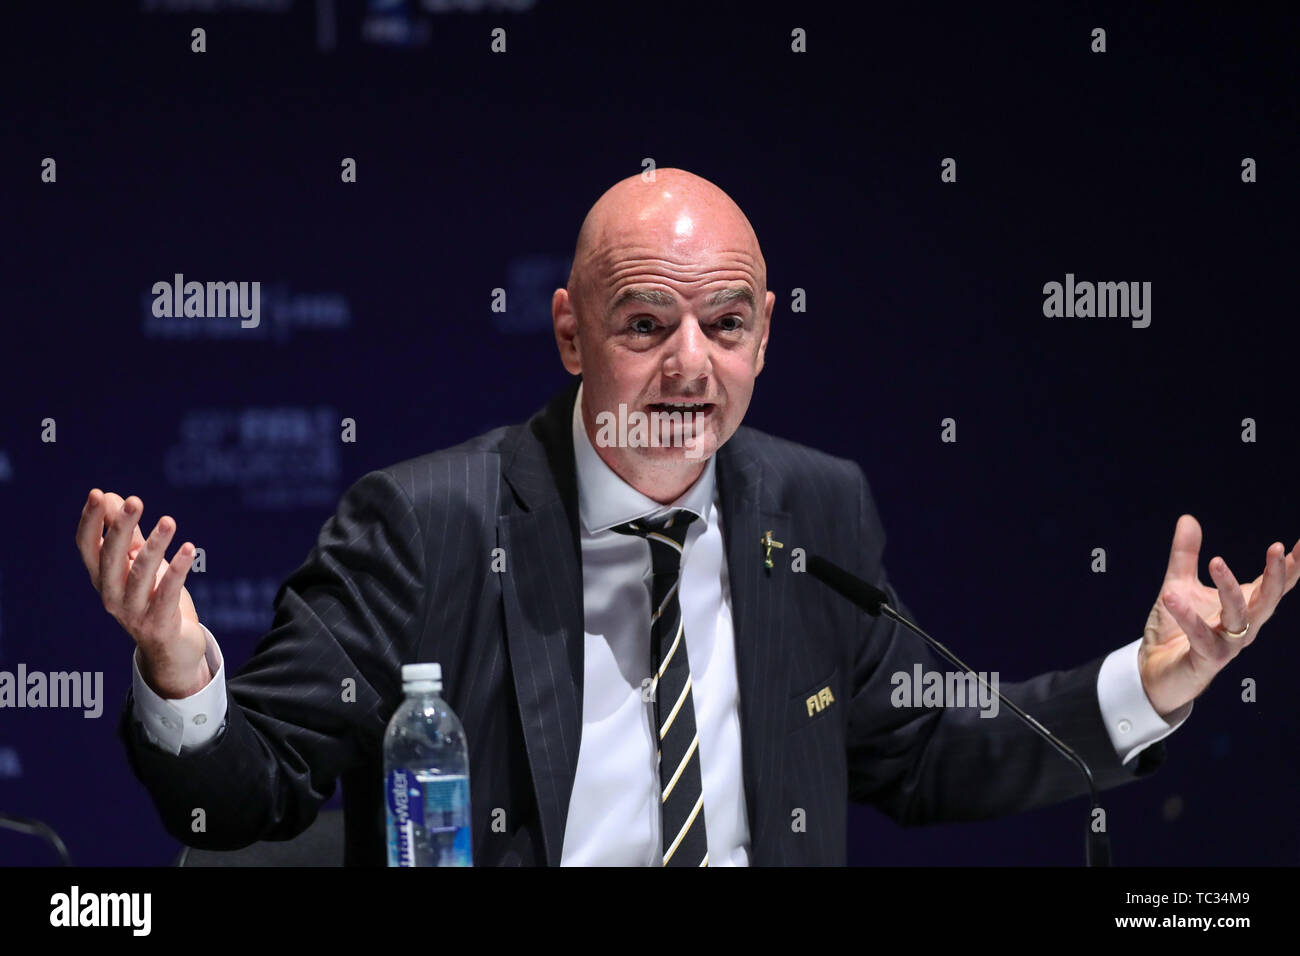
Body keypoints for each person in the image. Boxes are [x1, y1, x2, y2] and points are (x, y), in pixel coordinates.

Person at [76, 169, 1299, 866]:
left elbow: (925, 750)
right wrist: (181, 667)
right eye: (645, 323)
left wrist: (1149, 679)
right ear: (568, 334)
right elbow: (243, 796)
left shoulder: (815, 505)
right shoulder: (426, 523)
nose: (690, 367)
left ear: (766, 334)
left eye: (725, 323)